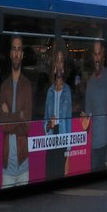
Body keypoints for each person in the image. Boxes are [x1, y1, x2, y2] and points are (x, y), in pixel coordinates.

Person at [0, 35, 33, 188]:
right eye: (14, 49)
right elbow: (3, 126)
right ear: (10, 54)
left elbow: (27, 126)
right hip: (7, 168)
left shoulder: (27, 86)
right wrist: (19, 115)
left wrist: (11, 117)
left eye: (19, 49)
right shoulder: (4, 86)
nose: (17, 53)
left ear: (22, 55)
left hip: (23, 164)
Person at [44, 41, 72, 178]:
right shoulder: (49, 91)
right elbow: (45, 122)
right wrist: (49, 124)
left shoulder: (68, 91)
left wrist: (68, 154)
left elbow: (69, 124)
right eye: (57, 61)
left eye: (62, 61)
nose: (59, 65)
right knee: (49, 175)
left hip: (62, 139)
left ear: (63, 66)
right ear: (54, 65)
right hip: (50, 140)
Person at [82, 40, 107, 171]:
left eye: (99, 54)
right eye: (95, 54)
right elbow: (88, 116)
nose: (97, 58)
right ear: (92, 57)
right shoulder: (90, 83)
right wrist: (84, 122)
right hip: (95, 145)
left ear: (103, 55)